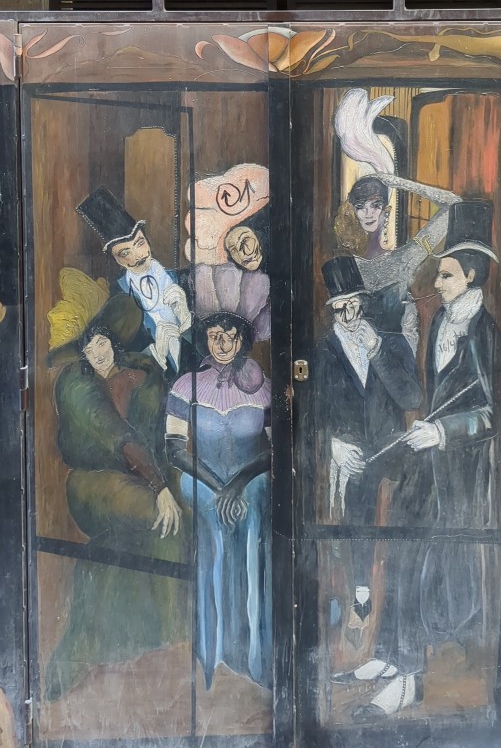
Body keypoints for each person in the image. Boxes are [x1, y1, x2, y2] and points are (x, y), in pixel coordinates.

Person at [341, 201, 501, 721]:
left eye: (447, 274)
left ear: (470, 274)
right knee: (400, 550)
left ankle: (409, 680)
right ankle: (389, 653)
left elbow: (494, 414)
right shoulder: (438, 326)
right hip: (425, 464)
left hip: (457, 474)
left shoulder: (484, 333)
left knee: (425, 564)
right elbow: (431, 397)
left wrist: (443, 432)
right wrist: (424, 428)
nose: (438, 282)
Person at [45, 296, 189, 700]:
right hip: (93, 483)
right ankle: (169, 634)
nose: (97, 352)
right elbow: (117, 435)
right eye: (88, 347)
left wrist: (168, 479)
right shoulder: (75, 386)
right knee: (163, 519)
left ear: (112, 341)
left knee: (169, 525)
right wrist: (160, 488)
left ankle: (155, 641)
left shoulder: (141, 371)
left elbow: (163, 427)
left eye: (101, 342)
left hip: (147, 475)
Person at [165, 269, 272, 690]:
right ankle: (212, 656)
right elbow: (176, 450)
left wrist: (239, 483)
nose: (222, 344)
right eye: (214, 336)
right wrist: (218, 486)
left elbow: (274, 450)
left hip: (250, 479)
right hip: (202, 480)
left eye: (230, 336)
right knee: (212, 532)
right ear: (206, 340)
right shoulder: (186, 386)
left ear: (243, 340)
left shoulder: (263, 388)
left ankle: (253, 658)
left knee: (252, 530)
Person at [317, 256, 423, 626]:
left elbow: (411, 398)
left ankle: (403, 593)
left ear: (363, 302)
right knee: (356, 491)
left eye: (353, 305)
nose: (348, 316)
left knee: (413, 488)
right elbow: (313, 414)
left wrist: (377, 351)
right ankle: (361, 590)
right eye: (339, 308)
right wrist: (333, 446)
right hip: (352, 452)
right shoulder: (323, 351)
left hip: (391, 446)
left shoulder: (391, 343)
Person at [334, 174, 460, 355]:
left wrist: (396, 182)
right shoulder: (347, 265)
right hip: (354, 362)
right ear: (354, 212)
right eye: (361, 207)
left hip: (396, 358)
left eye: (375, 205)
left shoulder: (405, 258)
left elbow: (454, 204)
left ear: (386, 210)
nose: (368, 213)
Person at [76, 187, 192, 377]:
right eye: (125, 253)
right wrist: (156, 354)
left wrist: (187, 320)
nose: (137, 256)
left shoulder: (185, 280)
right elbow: (120, 359)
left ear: (147, 240)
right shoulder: (118, 301)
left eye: (139, 243)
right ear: (116, 259)